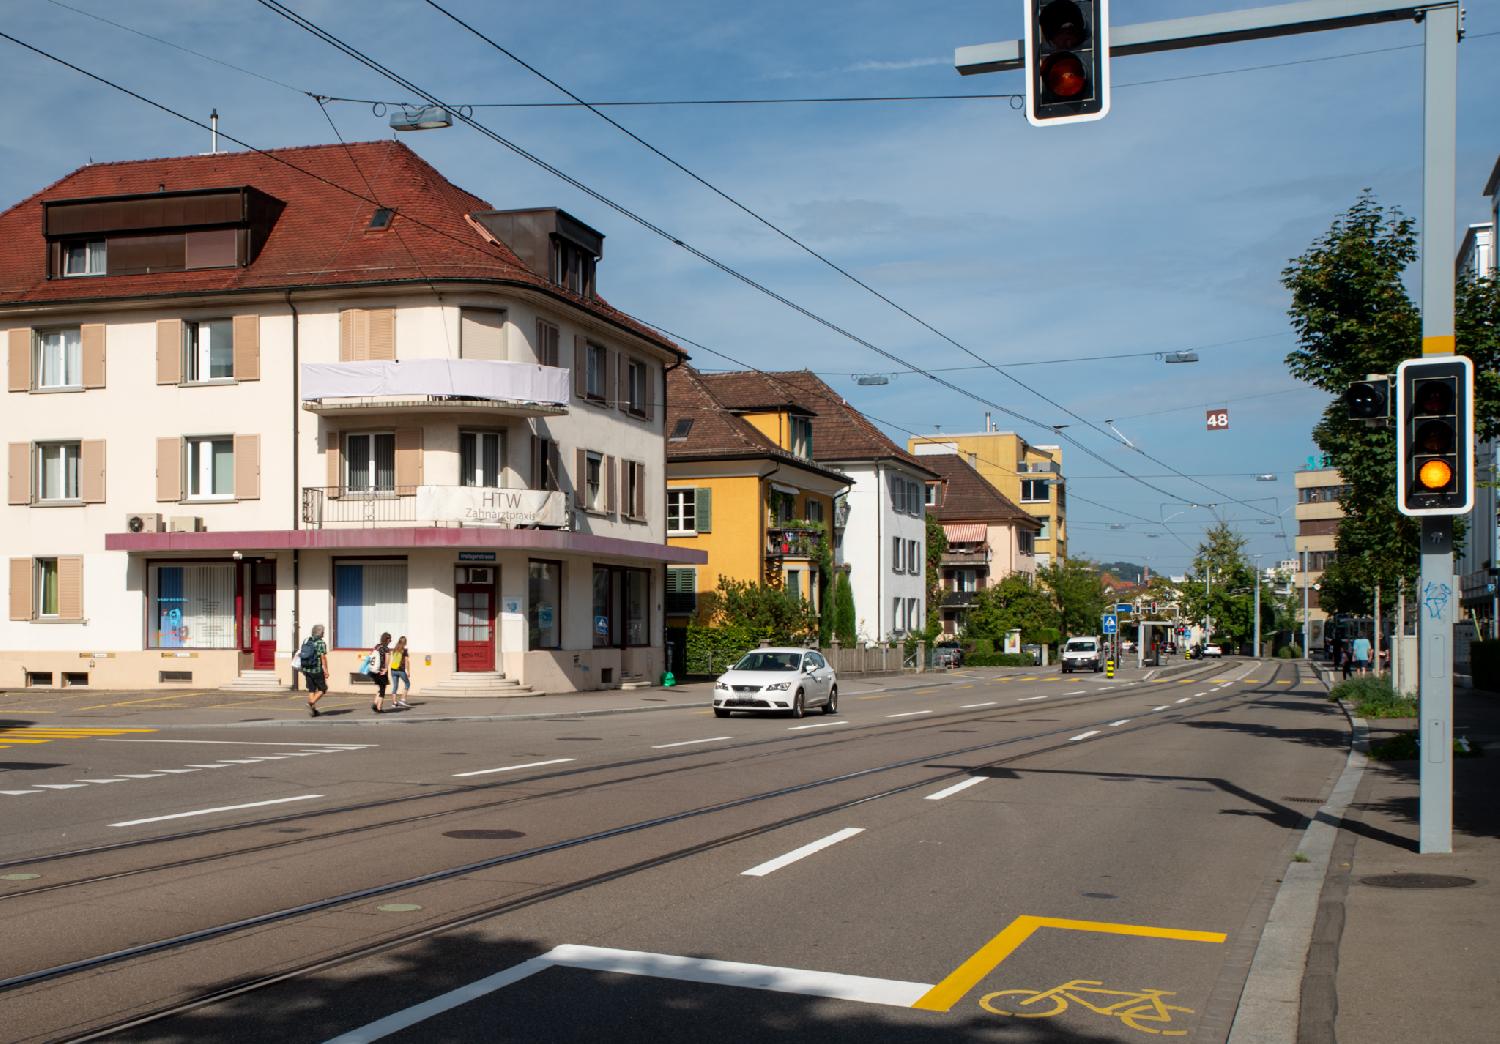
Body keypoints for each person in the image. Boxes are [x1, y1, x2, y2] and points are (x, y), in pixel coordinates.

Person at [302, 624, 329, 716]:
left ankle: (313, 711)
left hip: (307, 669)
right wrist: (326, 671)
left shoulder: (307, 640)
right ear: (320, 633)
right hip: (317, 670)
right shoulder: (321, 643)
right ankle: (310, 703)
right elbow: (323, 658)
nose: (324, 633)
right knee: (323, 689)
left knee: (311, 690)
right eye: (323, 632)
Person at [369, 632, 393, 713]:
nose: (391, 640)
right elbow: (387, 659)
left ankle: (375, 703)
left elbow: (371, 655)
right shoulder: (386, 648)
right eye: (390, 639)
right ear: (387, 639)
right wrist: (386, 668)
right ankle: (379, 708)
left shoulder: (377, 646)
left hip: (375, 670)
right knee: (383, 689)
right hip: (382, 671)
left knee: (381, 688)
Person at [390, 635, 413, 709]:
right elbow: (407, 662)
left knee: (395, 686)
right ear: (405, 642)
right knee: (407, 683)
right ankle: (403, 700)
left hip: (393, 670)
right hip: (400, 670)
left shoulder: (395, 649)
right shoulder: (404, 650)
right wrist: (408, 671)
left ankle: (394, 703)